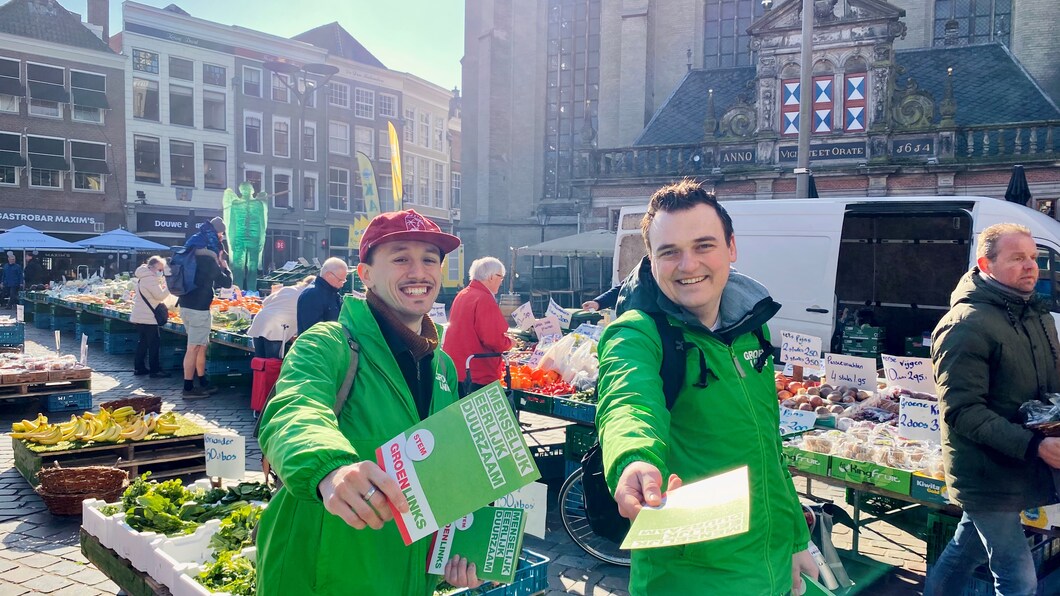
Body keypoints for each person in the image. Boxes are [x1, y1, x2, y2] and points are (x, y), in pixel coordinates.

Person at [595, 180, 815, 595]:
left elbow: (767, 447)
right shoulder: (637, 333)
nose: (688, 264)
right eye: (669, 252)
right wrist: (633, 461)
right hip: (688, 577)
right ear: (652, 260)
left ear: (731, 248)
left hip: (767, 566)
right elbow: (627, 402)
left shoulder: (753, 329)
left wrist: (794, 540)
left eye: (703, 246)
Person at [256, 209, 482, 595]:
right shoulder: (328, 342)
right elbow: (294, 408)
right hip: (320, 576)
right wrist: (330, 470)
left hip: (403, 578)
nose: (419, 271)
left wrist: (457, 553)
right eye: (400, 258)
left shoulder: (441, 365)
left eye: (429, 259)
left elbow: (441, 476)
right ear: (365, 276)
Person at [924, 223, 1060, 596]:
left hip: (1019, 464)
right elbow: (962, 410)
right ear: (986, 263)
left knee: (964, 552)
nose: (1031, 266)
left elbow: (1050, 390)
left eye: (1034, 258)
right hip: (984, 469)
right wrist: (1034, 447)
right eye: (1018, 258)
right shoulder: (964, 325)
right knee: (1018, 579)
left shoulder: (1038, 316)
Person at [177, 217, 233, 399]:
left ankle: (202, 382)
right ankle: (188, 388)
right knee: (193, 347)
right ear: (214, 236)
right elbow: (226, 282)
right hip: (198, 309)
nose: (221, 238)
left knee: (201, 345)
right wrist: (224, 266)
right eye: (220, 234)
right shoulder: (208, 259)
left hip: (185, 305)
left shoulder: (192, 251)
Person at [443, 256, 513, 396]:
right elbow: (493, 340)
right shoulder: (484, 298)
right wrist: (510, 343)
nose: (501, 281)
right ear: (491, 277)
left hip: (458, 368)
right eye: (501, 277)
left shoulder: (463, 294)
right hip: (477, 372)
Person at [247, 276, 315, 358]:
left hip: (259, 321)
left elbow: (265, 302)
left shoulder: (288, 289)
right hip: (276, 327)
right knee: (272, 363)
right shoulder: (308, 295)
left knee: (259, 362)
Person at [131, 256, 172, 378]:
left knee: (143, 342)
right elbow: (159, 296)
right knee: (154, 344)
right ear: (153, 267)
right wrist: (170, 286)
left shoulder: (143, 276)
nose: (161, 272)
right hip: (148, 317)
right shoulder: (150, 279)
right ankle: (155, 369)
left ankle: (139, 367)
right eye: (160, 269)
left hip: (140, 315)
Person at [296, 257, 347, 335]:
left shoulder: (333, 293)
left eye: (344, 280)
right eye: (340, 280)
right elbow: (314, 330)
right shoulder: (311, 295)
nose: (342, 284)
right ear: (328, 275)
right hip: (317, 345)